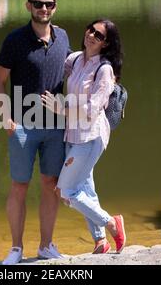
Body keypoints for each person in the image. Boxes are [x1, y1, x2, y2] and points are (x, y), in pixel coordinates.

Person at [0, 0, 71, 265]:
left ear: (55, 6)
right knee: (19, 186)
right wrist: (5, 118)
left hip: (55, 126)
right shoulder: (15, 40)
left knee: (50, 184)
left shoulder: (62, 37)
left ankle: (46, 246)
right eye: (38, 4)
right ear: (28, 6)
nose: (44, 9)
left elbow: (73, 76)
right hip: (22, 126)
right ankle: (16, 248)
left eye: (49, 4)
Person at [42, 19, 126, 254]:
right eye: (90, 30)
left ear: (106, 43)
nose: (91, 35)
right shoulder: (77, 59)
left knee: (66, 191)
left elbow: (93, 108)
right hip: (72, 134)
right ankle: (101, 240)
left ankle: (111, 222)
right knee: (85, 187)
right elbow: (57, 61)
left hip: (90, 137)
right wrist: (51, 32)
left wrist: (61, 110)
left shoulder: (105, 69)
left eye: (98, 35)